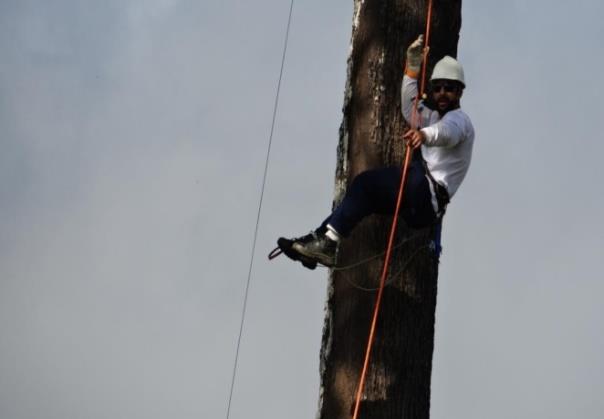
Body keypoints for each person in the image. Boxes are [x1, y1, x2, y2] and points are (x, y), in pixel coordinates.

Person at [276, 35, 475, 269]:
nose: (442, 93)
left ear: (460, 92)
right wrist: (411, 71)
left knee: (365, 184)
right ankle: (321, 240)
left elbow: (445, 133)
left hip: (427, 194)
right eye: (437, 88)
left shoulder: (460, 122)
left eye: (449, 88)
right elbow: (409, 107)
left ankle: (326, 243)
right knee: (364, 194)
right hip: (421, 199)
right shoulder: (432, 117)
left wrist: (423, 135)